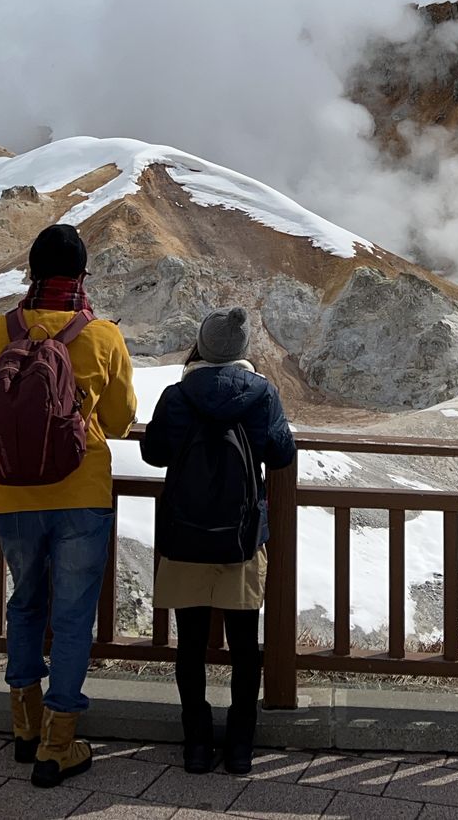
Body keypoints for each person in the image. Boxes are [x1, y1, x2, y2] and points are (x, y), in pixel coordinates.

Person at [0, 224, 136, 788]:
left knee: (26, 604)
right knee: (74, 616)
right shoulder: (103, 335)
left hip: (11, 494)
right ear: (81, 277)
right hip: (81, 495)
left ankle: (24, 725)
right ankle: (60, 743)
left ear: (31, 273)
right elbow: (120, 420)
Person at [139, 306, 295, 775]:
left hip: (185, 536)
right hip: (241, 539)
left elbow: (153, 453)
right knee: (245, 644)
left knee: (189, 643)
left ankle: (197, 745)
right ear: (243, 352)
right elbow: (282, 454)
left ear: (202, 347)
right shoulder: (262, 394)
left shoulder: (177, 394)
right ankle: (241, 746)